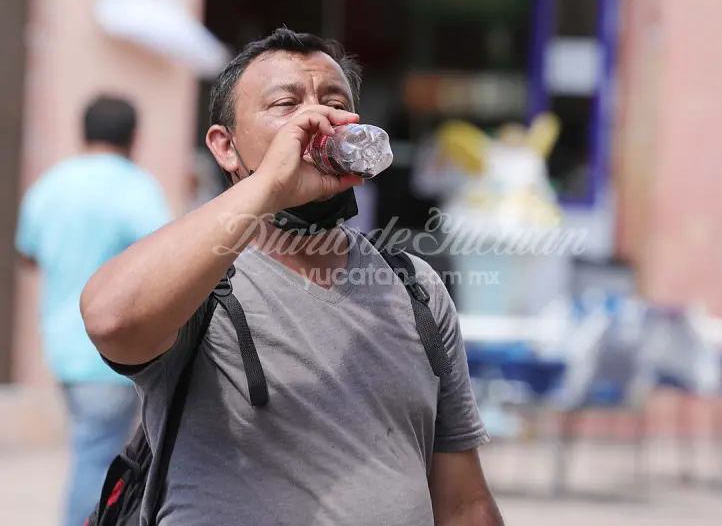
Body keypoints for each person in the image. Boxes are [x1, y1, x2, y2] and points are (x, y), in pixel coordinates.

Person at [80, 28, 504, 526]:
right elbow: (113, 320)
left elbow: (465, 503)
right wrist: (270, 184)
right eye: (285, 104)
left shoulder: (416, 289)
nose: (315, 118)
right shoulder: (200, 279)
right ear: (225, 147)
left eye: (334, 101)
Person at [16, 95, 173, 526]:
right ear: (133, 136)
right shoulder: (135, 187)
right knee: (99, 458)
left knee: (92, 448)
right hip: (110, 351)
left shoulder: (51, 184)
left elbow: (27, 254)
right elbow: (164, 256)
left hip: (63, 347)